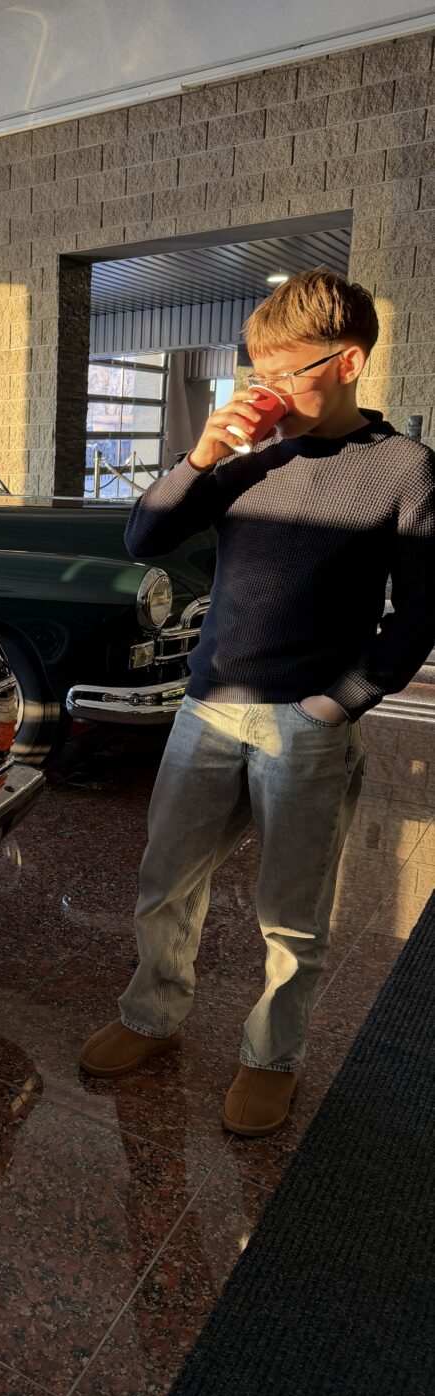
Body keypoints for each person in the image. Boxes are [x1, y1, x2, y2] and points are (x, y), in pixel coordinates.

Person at [79, 269, 435, 1137]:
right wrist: (203, 454)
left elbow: (425, 609)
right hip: (206, 707)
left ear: (347, 362)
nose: (265, 390)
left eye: (285, 373)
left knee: (291, 916)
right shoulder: (252, 458)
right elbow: (144, 536)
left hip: (305, 724)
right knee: (165, 884)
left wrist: (341, 702)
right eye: (257, 373)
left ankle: (272, 1057)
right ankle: (152, 1016)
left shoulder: (404, 469)